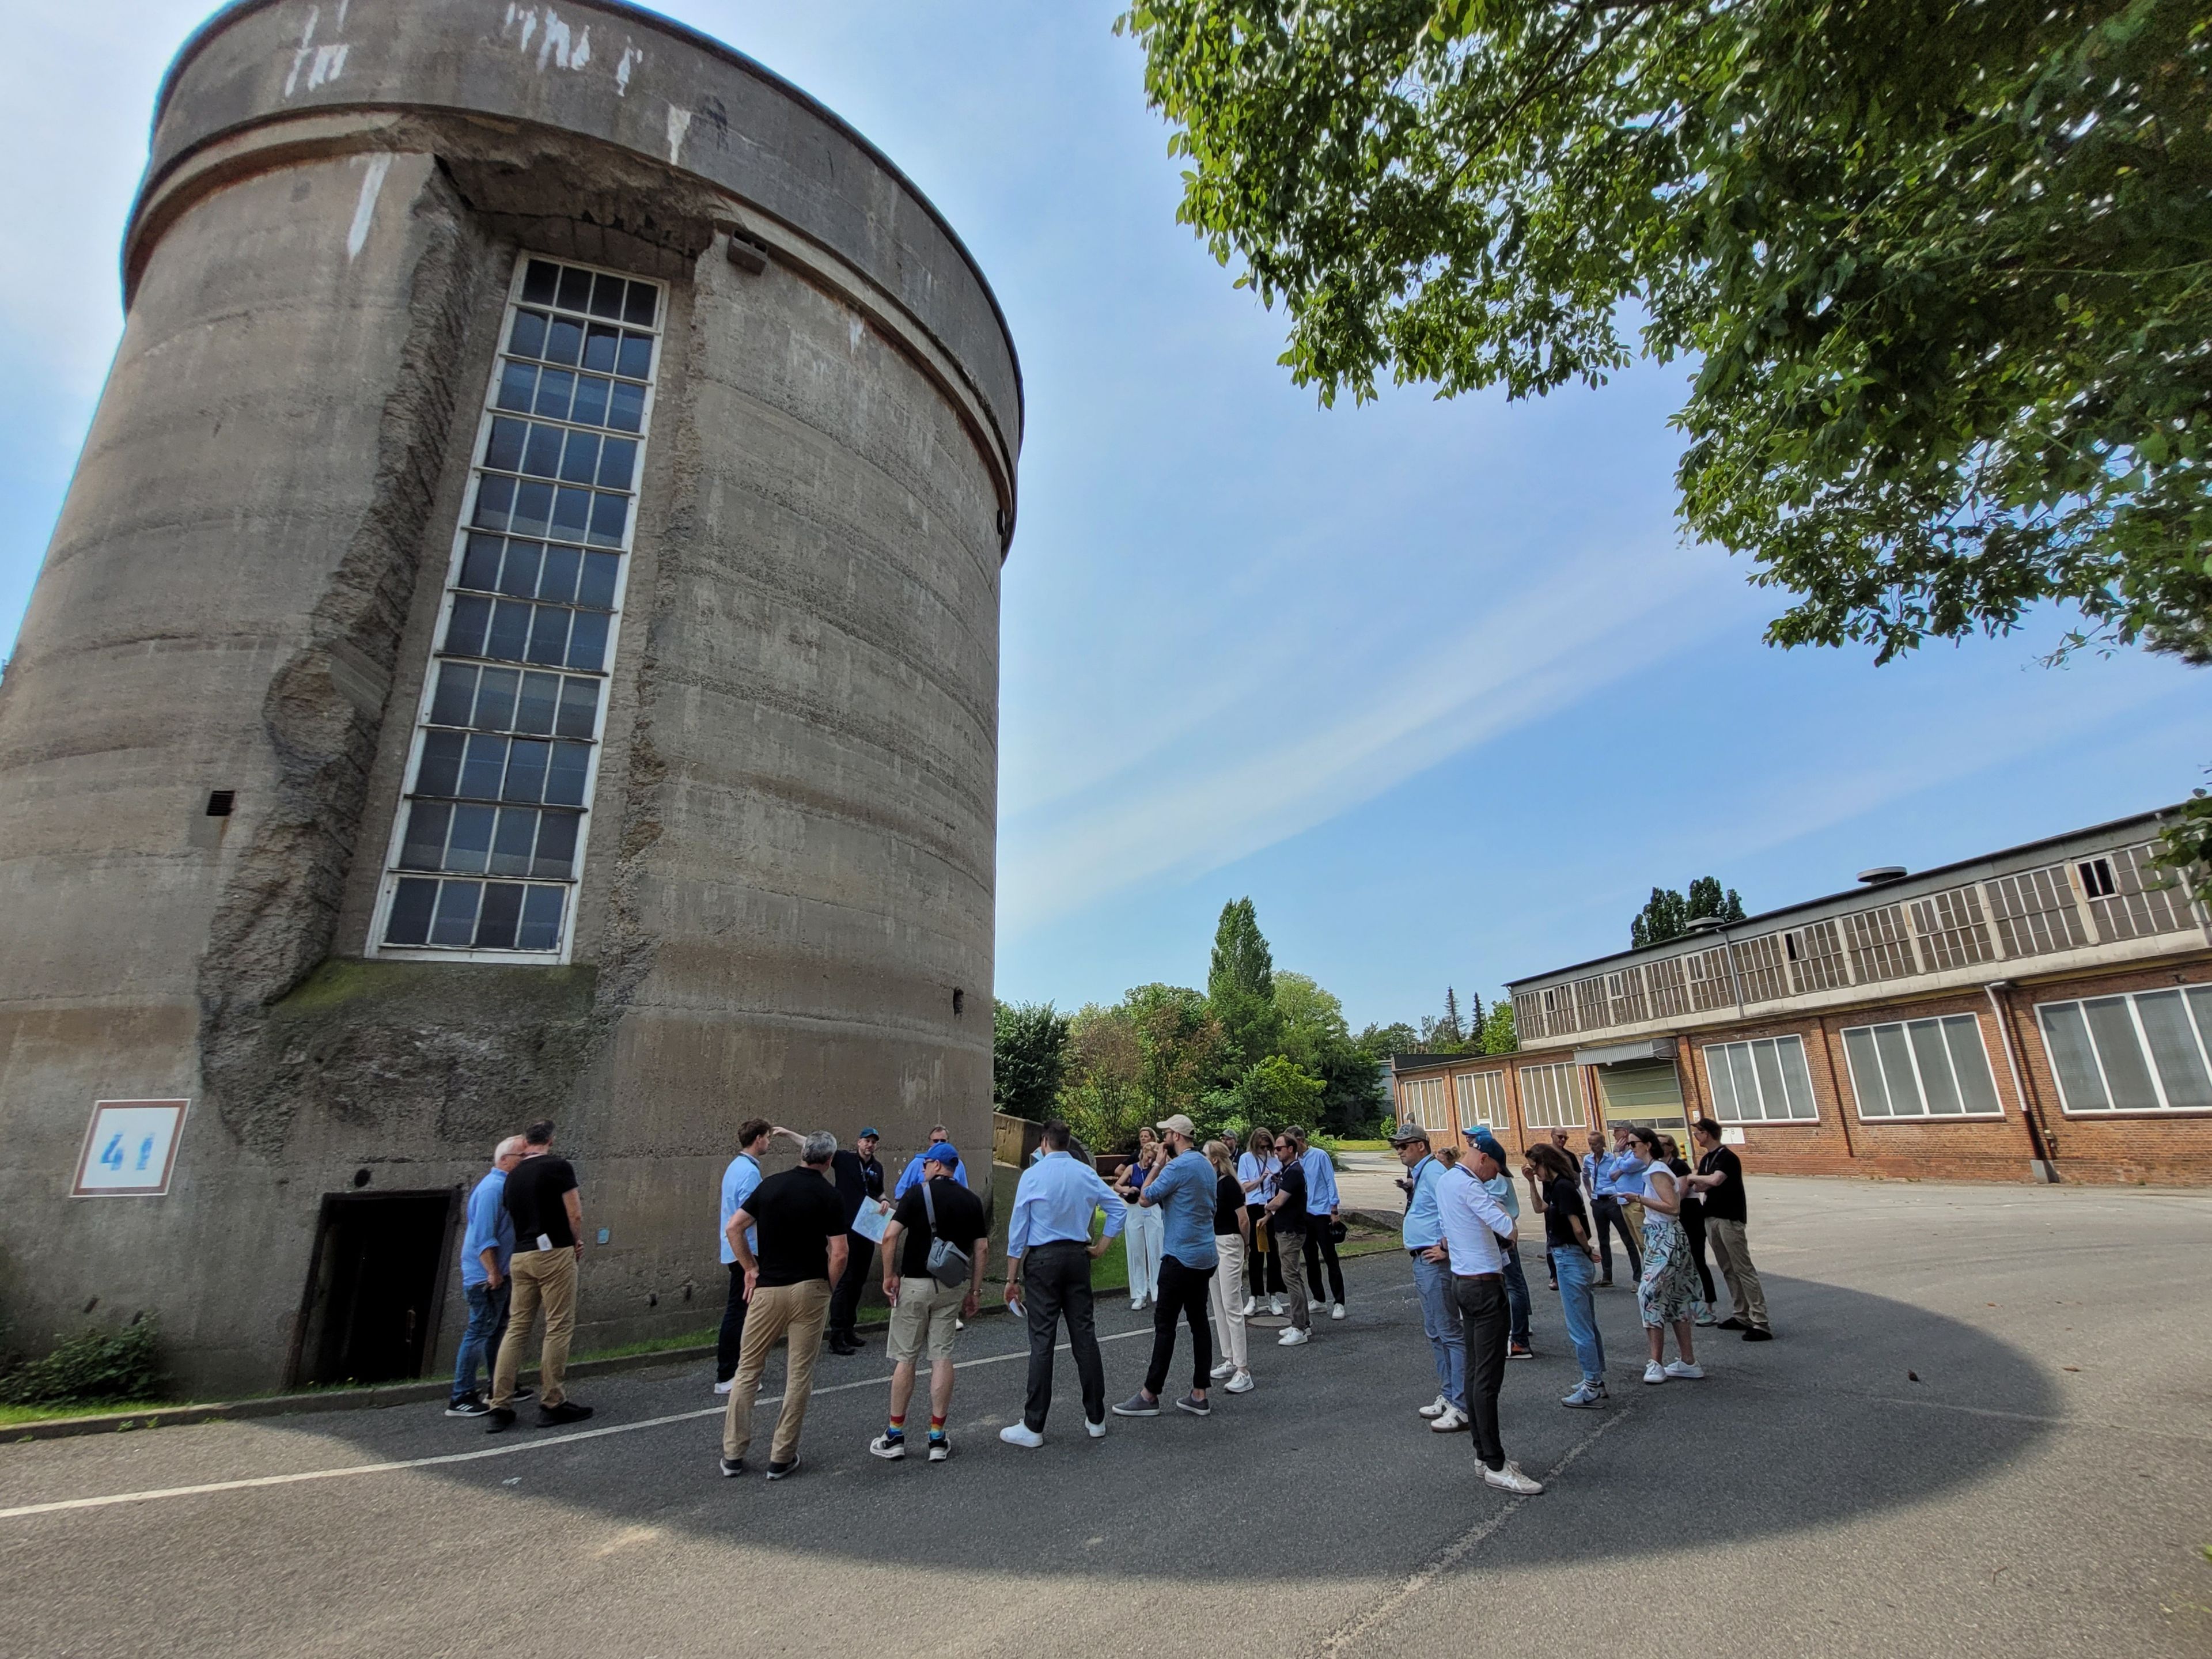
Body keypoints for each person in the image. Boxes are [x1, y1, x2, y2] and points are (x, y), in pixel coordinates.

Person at [719, 1130, 849, 1481]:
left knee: (748, 1370)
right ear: (829, 1161)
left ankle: (733, 1453)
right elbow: (839, 1252)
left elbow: (735, 1228)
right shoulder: (830, 1195)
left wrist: (750, 1269)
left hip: (767, 1288)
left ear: (803, 1154)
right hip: (810, 1287)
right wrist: (828, 1287)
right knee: (799, 1375)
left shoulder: (771, 1185)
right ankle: (782, 1455)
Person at [1001, 1119, 1127, 1448]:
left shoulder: (1032, 1176)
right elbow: (1117, 1209)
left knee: (1043, 1340)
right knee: (1084, 1335)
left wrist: (1012, 1278)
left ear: (1044, 1142)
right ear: (1068, 1142)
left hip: (1043, 1259)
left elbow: (1018, 1232)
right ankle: (1096, 1417)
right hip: (1076, 1256)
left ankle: (1034, 1424)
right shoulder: (1085, 1173)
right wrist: (1100, 1247)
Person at [1429, 1138, 1543, 1493]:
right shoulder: (1470, 1185)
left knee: (1475, 1370)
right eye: (1494, 1168)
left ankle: (1484, 1455)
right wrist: (1499, 1211)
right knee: (1487, 1378)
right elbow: (1508, 1228)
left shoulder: (1447, 1180)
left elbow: (1450, 1231)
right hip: (1484, 1284)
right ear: (1483, 1158)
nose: (1494, 1176)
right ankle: (1495, 1462)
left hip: (1464, 1281)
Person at [869, 1142, 987, 1462]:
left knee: (906, 1358)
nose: (922, 1169)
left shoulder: (916, 1195)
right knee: (942, 1356)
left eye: (925, 1164)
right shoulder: (971, 1200)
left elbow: (891, 1235)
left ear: (936, 1165)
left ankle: (895, 1434)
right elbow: (981, 1250)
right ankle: (937, 1436)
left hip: (915, 1284)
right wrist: (975, 1292)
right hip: (951, 1286)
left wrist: (889, 1275)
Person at [486, 1120, 592, 1431]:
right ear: (551, 1140)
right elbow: (574, 1212)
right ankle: (552, 1401)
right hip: (554, 1250)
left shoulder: (512, 1175)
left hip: (521, 1253)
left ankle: (499, 1404)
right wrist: (575, 1241)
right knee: (558, 1325)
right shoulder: (558, 1167)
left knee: (517, 1328)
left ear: (526, 1142)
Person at [1114, 1115, 1220, 1419]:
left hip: (1179, 1255)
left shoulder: (1176, 1166)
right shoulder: (1205, 1164)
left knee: (1165, 1325)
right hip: (1205, 1253)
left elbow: (1145, 1197)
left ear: (1175, 1136)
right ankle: (1200, 1393)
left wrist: (1158, 1164)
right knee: (1199, 1320)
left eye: (1166, 1135)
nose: (1162, 1140)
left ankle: (1150, 1394)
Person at [1392, 1123, 1466, 1433]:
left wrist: (1446, 1247)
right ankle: (1449, 1394)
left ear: (1421, 1145)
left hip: (1433, 1260)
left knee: (1448, 1331)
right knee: (1435, 1330)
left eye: (1404, 1145)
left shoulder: (1435, 1172)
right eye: (1397, 1146)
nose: (1399, 1151)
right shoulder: (1424, 1173)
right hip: (1422, 1258)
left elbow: (1453, 1209)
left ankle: (1462, 1404)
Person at [716, 1119, 798, 1395]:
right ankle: (729, 1373)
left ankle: (735, 1369)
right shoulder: (749, 1173)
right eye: (767, 1138)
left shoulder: (736, 1166)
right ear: (759, 1139)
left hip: (735, 1249)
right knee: (740, 1311)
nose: (768, 1143)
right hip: (746, 1251)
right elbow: (751, 1214)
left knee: (740, 1309)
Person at [447, 1135, 528, 1417]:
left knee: (497, 1329)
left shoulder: (503, 1186)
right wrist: (493, 1272)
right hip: (485, 1276)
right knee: (480, 1331)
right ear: (505, 1160)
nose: (526, 1161)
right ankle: (461, 1396)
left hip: (499, 1273)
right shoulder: (493, 1189)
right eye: (522, 1157)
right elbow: (483, 1236)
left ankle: (500, 1386)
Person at [1525, 1142, 1606, 1407]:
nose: (1534, 1171)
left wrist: (1587, 1249)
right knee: (1586, 1322)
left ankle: (1592, 1383)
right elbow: (1541, 1209)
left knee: (1579, 1325)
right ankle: (1595, 1378)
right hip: (1568, 1256)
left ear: (1546, 1163)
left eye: (1535, 1167)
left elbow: (1578, 1227)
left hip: (1571, 1255)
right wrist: (1532, 1183)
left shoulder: (1564, 1187)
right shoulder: (1555, 1187)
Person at [1624, 1127, 1702, 1384]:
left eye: (1634, 1144)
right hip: (1666, 1236)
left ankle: (1656, 1362)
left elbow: (1672, 1207)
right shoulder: (1656, 1169)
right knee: (1677, 1297)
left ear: (1647, 1145)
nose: (1630, 1148)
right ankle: (1687, 1360)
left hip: (1665, 1237)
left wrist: (1638, 1198)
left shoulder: (1656, 1171)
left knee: (1650, 1294)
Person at [1684, 1118, 1772, 1340]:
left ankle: (1760, 1321)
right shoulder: (1706, 1159)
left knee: (1743, 1268)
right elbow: (1702, 1185)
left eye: (1699, 1132)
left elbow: (1715, 1180)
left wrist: (1690, 1177)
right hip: (1711, 1216)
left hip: (1729, 1218)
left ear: (1708, 1134)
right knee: (1727, 1268)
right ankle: (1741, 1313)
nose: (1696, 1136)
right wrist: (1697, 1180)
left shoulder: (1727, 1157)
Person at [1469, 1130, 1535, 1359]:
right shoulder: (1479, 1169)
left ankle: (1519, 1339)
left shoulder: (1491, 1170)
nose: (1469, 1142)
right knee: (1513, 1283)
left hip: (1500, 1236)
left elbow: (1495, 1203)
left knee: (1512, 1285)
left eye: (1472, 1138)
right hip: (1497, 1234)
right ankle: (1520, 1328)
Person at [827, 1127, 887, 1355]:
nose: (870, 1145)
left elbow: (879, 1193)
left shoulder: (877, 1168)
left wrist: (884, 1202)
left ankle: (850, 1329)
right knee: (845, 1280)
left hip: (867, 1230)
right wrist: (787, 1134)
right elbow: (815, 1145)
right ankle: (837, 1335)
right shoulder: (844, 1160)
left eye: (873, 1142)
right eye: (866, 1141)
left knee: (858, 1281)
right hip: (845, 1228)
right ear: (858, 1142)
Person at [1202, 1139, 1255, 1395]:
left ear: (1215, 1159)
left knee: (1232, 1303)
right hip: (1214, 1241)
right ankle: (1229, 1357)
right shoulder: (1212, 1183)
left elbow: (1243, 1219)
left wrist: (1245, 1246)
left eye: (1205, 1155)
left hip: (1229, 1242)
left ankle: (1243, 1369)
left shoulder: (1230, 1184)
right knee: (1218, 1302)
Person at [1260, 1132, 1314, 1346]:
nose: (1276, 1152)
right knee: (1294, 1277)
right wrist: (1268, 1215)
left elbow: (1280, 1200)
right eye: (1276, 1149)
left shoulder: (1294, 1173)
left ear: (1291, 1149)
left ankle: (1299, 1327)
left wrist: (1266, 1206)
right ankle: (1302, 1323)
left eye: (1280, 1148)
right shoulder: (1287, 1171)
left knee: (1291, 1278)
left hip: (1291, 1232)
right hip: (1285, 1228)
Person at [1661, 1133, 1717, 1325]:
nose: (1658, 1148)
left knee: (1697, 1260)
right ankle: (1684, 1305)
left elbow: (1682, 1193)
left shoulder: (1679, 1166)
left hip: (1690, 1215)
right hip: (1674, 1217)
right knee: (1678, 1262)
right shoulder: (1660, 1167)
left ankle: (1708, 1306)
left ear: (1671, 1147)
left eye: (1662, 1145)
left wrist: (1662, 1203)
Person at [1295, 1128, 1347, 1319]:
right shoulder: (1295, 1161)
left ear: (1300, 1140)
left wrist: (1334, 1210)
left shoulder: (1319, 1155)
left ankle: (1339, 1302)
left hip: (1322, 1213)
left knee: (1330, 1257)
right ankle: (1319, 1299)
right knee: (1310, 1259)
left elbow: (1329, 1182)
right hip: (1304, 1214)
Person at [1115, 1126, 1165, 1309]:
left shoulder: (1158, 1169)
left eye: (1153, 1158)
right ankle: (1139, 1293)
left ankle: (1158, 1291)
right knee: (1136, 1252)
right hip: (1135, 1209)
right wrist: (1128, 1189)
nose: (1149, 1160)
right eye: (1147, 1156)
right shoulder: (1132, 1168)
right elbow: (1118, 1185)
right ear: (1142, 1153)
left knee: (1156, 1250)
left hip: (1153, 1209)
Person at [1238, 1126, 1285, 1316]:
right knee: (1256, 1254)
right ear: (1254, 1144)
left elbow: (1284, 1184)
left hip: (1272, 1206)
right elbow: (1244, 1187)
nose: (1264, 1150)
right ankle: (1254, 1298)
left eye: (1267, 1146)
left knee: (1274, 1253)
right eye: (1261, 1147)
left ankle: (1273, 1296)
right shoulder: (1246, 1159)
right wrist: (1260, 1180)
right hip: (1255, 1207)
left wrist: (1276, 1181)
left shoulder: (1275, 1160)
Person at [1590, 1124, 1644, 1286]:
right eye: (1590, 1144)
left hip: (1617, 1201)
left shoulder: (1625, 1154)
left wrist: (1618, 1158)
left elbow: (1624, 1168)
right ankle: (1607, 1276)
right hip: (1598, 1201)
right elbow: (1612, 1174)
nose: (1614, 1135)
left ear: (1625, 1134)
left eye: (1616, 1132)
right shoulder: (1590, 1159)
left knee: (1631, 1240)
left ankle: (1638, 1278)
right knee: (1603, 1239)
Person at [892, 1124, 969, 1198]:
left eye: (943, 1141)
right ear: (930, 1142)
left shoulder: (958, 1164)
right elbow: (901, 1192)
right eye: (936, 1141)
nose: (939, 1144)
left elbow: (964, 1191)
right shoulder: (917, 1163)